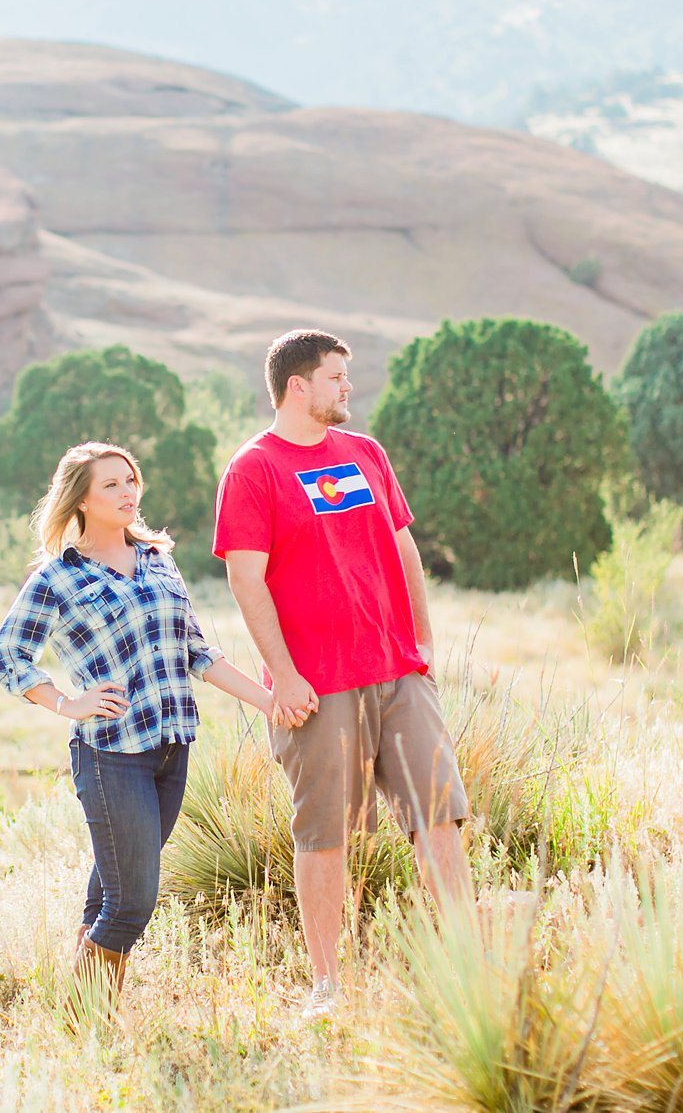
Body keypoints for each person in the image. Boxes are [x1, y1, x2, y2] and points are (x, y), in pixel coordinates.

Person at [214, 329, 475, 1019]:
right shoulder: (253, 469)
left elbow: (402, 543)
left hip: (398, 673)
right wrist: (282, 674)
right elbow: (246, 579)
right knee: (324, 832)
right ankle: (328, 985)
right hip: (316, 687)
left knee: (439, 815)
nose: (346, 388)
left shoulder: (366, 454)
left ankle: (465, 962)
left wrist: (421, 638)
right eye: (335, 378)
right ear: (298, 386)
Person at [0, 441, 273, 1006]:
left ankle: (85, 1013)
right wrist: (67, 703)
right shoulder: (57, 579)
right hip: (112, 754)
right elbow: (7, 655)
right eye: (110, 485)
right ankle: (87, 1014)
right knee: (133, 900)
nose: (127, 493)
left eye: (130, 480)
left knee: (113, 889)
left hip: (172, 748)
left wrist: (268, 700)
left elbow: (196, 650)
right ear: (82, 501)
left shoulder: (158, 560)